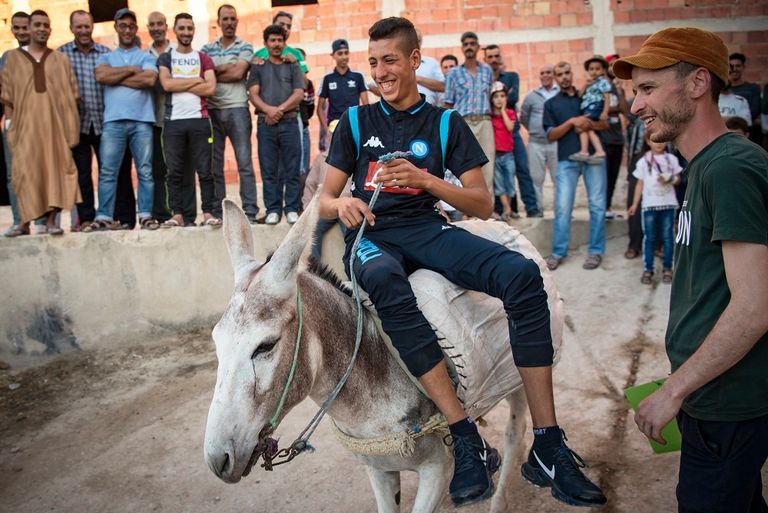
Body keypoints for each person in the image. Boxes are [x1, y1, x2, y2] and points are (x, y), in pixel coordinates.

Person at [319, 17, 606, 509]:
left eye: (390, 60)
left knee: (521, 273)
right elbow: (323, 198)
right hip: (372, 238)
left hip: (428, 229)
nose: (380, 72)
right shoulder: (354, 122)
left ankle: (548, 444)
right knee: (386, 279)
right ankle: (465, 434)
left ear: (415, 60)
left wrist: (427, 181)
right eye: (373, 63)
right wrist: (342, 205)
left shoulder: (444, 122)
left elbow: (481, 204)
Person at [613, 27, 768, 513]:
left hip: (729, 404)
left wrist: (674, 391)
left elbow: (755, 306)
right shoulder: (703, 167)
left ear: (698, 84)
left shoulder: (729, 168)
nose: (635, 106)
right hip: (712, 392)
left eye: (647, 89)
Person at [0, 10, 80, 235]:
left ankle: (52, 221)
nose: (42, 29)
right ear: (30, 27)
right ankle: (23, 223)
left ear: (50, 30)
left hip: (54, 128)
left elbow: (71, 95)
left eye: (46, 25)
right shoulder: (13, 59)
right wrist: (9, 125)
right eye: (37, 25)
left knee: (55, 172)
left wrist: (69, 129)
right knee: (23, 173)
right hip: (25, 128)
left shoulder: (59, 60)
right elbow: (7, 96)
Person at [89, 8, 157, 231]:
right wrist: (130, 70)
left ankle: (146, 215)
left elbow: (148, 80)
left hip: (142, 121)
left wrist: (115, 77)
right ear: (116, 28)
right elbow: (101, 76)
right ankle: (104, 215)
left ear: (135, 29)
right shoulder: (106, 57)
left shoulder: (146, 56)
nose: (127, 30)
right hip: (113, 122)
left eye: (131, 26)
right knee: (108, 171)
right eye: (122, 26)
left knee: (145, 170)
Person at [543, 61, 607, 271]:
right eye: (559, 74)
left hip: (593, 159)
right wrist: (571, 122)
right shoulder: (551, 104)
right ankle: (558, 252)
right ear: (555, 77)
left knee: (597, 206)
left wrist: (585, 122)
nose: (564, 77)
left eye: (567, 72)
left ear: (572, 73)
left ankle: (596, 251)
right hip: (566, 160)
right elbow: (551, 135)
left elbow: (603, 124)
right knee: (563, 208)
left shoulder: (586, 96)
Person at [158, 13, 219, 228]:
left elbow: (210, 88)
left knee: (205, 170)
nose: (186, 32)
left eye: (189, 28)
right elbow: (166, 85)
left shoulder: (203, 58)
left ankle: (208, 213)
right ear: (174, 30)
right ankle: (178, 214)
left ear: (193, 30)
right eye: (182, 28)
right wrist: (195, 80)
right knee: (174, 171)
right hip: (174, 121)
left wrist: (179, 82)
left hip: (200, 121)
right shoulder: (166, 57)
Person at [202, 4, 259, 223]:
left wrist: (215, 71)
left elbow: (238, 73)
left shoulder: (245, 46)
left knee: (244, 163)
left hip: (237, 109)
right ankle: (218, 212)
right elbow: (208, 74)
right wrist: (226, 69)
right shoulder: (206, 49)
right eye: (225, 19)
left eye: (232, 18)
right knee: (215, 166)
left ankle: (251, 211)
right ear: (218, 21)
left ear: (237, 21)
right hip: (213, 111)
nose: (229, 22)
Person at [58, 10, 111, 232]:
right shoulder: (61, 55)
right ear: (71, 28)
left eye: (86, 26)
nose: (83, 31)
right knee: (82, 174)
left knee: (108, 172)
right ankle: (85, 218)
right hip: (76, 125)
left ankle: (107, 216)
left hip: (103, 122)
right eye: (78, 27)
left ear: (92, 27)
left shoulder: (106, 54)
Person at [247, 24, 304, 225]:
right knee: (269, 169)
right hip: (266, 124)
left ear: (284, 43)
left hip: (289, 123)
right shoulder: (258, 66)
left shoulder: (293, 65)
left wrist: (278, 110)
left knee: (292, 168)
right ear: (266, 43)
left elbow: (299, 93)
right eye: (272, 40)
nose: (276, 44)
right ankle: (272, 209)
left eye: (280, 40)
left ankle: (290, 208)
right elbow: (253, 93)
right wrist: (268, 110)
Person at [483, 44, 541, 217]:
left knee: (521, 168)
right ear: (485, 60)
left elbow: (513, 98)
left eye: (496, 56)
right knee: (497, 172)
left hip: (511, 130)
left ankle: (532, 208)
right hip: (493, 130)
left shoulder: (511, 76)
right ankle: (506, 209)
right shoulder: (484, 78)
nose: (493, 59)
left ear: (500, 58)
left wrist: (496, 99)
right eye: (490, 56)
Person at [443, 32, 495, 200]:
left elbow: (490, 98)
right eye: (466, 44)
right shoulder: (454, 73)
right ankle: (468, 209)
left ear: (478, 47)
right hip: (463, 123)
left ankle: (487, 208)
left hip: (485, 121)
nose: (469, 46)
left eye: (472, 43)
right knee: (465, 166)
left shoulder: (487, 70)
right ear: (462, 48)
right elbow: (449, 103)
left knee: (488, 165)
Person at [627, 134, 682, 285]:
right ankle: (648, 269)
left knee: (668, 237)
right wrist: (634, 204)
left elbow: (678, 179)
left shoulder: (672, 159)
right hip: (649, 205)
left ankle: (667, 268)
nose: (658, 144)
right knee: (649, 238)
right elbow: (639, 183)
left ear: (668, 141)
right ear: (647, 142)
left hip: (668, 204)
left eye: (662, 140)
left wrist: (669, 179)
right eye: (654, 141)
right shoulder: (644, 160)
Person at [145, 11, 184, 225]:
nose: (157, 27)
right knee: (157, 170)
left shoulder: (178, 52)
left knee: (180, 170)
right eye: (152, 24)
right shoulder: (144, 54)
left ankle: (184, 213)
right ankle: (161, 213)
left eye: (160, 23)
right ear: (148, 27)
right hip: (153, 119)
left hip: (177, 119)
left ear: (166, 26)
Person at [0, 11, 30, 237]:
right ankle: (20, 221)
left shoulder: (45, 56)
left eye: (25, 27)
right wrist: (9, 121)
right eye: (17, 28)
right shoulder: (7, 58)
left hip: (39, 124)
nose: (21, 32)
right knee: (14, 175)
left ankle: (40, 220)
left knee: (39, 172)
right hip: (14, 123)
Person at [520, 64, 559, 213]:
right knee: (536, 178)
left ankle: (560, 210)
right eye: (542, 73)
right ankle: (538, 210)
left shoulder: (559, 92)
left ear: (553, 74)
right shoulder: (532, 95)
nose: (545, 75)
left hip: (557, 142)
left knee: (558, 178)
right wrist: (535, 130)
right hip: (536, 142)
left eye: (548, 72)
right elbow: (524, 117)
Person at [317, 39, 368, 150]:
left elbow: (365, 105)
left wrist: (363, 127)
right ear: (333, 55)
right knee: (334, 163)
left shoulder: (358, 76)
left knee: (356, 161)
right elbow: (319, 108)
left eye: (346, 53)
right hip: (334, 126)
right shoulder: (327, 78)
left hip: (354, 125)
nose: (344, 56)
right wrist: (326, 131)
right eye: (340, 53)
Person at [601, 54, 629, 220]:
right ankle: (601, 207)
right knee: (603, 176)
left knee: (613, 175)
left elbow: (625, 110)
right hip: (603, 138)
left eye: (615, 66)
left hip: (617, 138)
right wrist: (614, 108)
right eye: (610, 65)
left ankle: (608, 206)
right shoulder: (600, 87)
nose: (613, 69)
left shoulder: (619, 89)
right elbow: (601, 111)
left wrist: (619, 92)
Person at [571, 56, 611, 164]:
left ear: (603, 70)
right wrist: (586, 83)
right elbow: (579, 94)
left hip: (596, 106)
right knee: (588, 128)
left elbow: (607, 97)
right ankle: (597, 151)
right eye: (591, 69)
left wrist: (605, 112)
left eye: (597, 69)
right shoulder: (590, 83)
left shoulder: (603, 82)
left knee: (582, 124)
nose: (594, 72)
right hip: (588, 107)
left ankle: (585, 151)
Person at [490, 81, 518, 220]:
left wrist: (502, 111)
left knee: (510, 183)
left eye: (502, 96)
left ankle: (509, 207)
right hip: (496, 155)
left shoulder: (510, 113)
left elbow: (510, 127)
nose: (499, 99)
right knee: (499, 184)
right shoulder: (489, 116)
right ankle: (507, 208)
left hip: (508, 155)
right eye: (496, 96)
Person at [728, 53, 762, 145]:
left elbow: (754, 110)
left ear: (743, 67)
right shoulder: (722, 91)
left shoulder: (753, 88)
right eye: (732, 66)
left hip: (746, 131)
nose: (734, 69)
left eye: (738, 66)